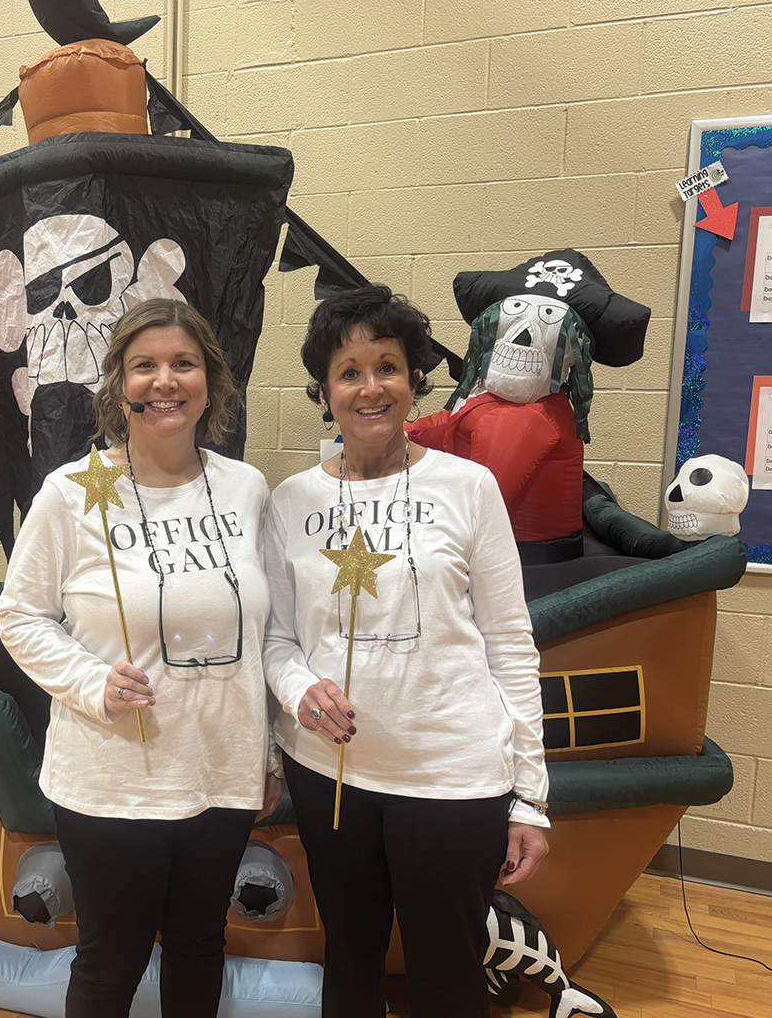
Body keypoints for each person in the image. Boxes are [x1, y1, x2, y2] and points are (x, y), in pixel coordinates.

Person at [263, 284, 549, 1018]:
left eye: (386, 366)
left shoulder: (468, 488)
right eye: (348, 371)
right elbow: (277, 639)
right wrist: (299, 690)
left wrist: (531, 797)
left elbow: (513, 644)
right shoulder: (291, 501)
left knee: (447, 976)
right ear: (324, 392)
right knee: (350, 960)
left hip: (453, 778)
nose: (369, 388)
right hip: (330, 775)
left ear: (414, 378)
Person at [0, 298, 283, 1018]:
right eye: (144, 365)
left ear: (210, 383)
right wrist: (91, 680)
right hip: (112, 777)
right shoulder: (70, 494)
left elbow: (268, 633)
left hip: (221, 769)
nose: (165, 381)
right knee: (111, 959)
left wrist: (270, 751)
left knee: (198, 947)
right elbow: (19, 615)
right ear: (118, 387)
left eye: (183, 364)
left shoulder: (246, 488)